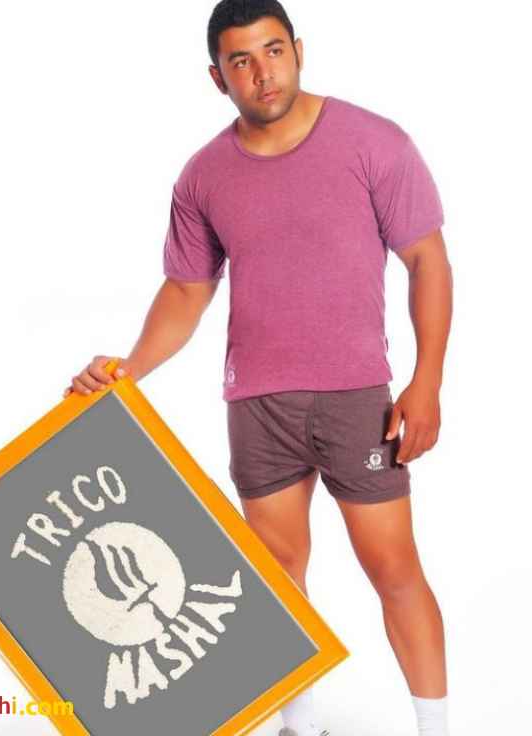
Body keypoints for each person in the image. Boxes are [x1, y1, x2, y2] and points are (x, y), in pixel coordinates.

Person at [63, 1, 453, 734]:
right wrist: (131, 368)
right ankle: (297, 725)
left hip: (356, 399)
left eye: (273, 51)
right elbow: (187, 289)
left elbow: (427, 260)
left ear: (298, 50)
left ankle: (437, 728)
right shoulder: (204, 175)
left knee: (393, 568)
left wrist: (426, 381)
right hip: (257, 403)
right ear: (219, 77)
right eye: (241, 60)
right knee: (275, 576)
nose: (262, 72)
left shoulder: (375, 142)